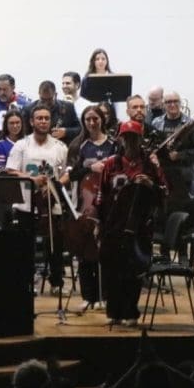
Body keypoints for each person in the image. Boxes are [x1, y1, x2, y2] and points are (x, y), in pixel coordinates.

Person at [95, 120, 166, 326]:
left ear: (140, 139)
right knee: (112, 268)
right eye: (127, 138)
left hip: (140, 226)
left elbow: (164, 192)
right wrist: (99, 223)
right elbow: (101, 195)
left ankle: (131, 312)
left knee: (133, 269)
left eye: (134, 138)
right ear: (121, 139)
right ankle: (114, 312)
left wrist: (150, 184)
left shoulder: (150, 165)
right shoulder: (111, 164)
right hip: (113, 224)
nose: (131, 142)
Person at [5, 105, 69, 291]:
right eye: (39, 118)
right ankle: (27, 281)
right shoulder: (21, 145)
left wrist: (55, 186)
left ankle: (56, 282)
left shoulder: (60, 147)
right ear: (32, 122)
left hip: (51, 203)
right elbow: (11, 170)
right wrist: (32, 179)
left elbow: (65, 174)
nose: (43, 121)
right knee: (26, 246)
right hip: (26, 203)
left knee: (55, 246)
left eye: (46, 118)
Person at [65, 105, 117, 309]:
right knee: (85, 252)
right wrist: (89, 167)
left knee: (105, 251)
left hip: (108, 201)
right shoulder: (78, 145)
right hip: (85, 201)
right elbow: (72, 174)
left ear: (102, 120)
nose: (92, 122)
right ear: (83, 121)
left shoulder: (113, 144)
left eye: (95, 118)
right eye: (88, 119)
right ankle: (88, 296)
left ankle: (104, 295)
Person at [151, 91, 194, 219]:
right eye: (169, 102)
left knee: (182, 208)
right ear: (163, 105)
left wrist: (179, 155)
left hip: (185, 175)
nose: (172, 105)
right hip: (162, 175)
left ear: (180, 103)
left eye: (175, 101)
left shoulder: (190, 124)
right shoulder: (156, 123)